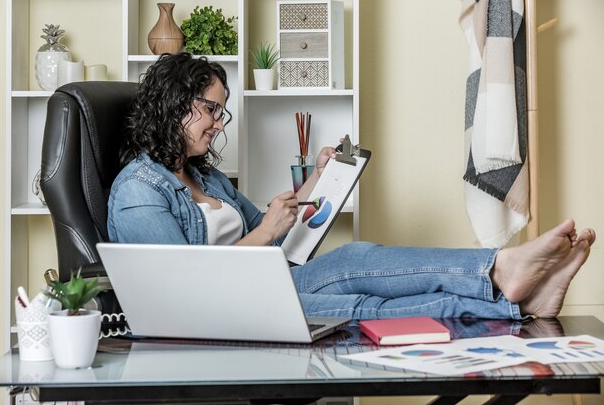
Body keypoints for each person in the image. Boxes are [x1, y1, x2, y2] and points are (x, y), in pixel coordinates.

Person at [108, 53, 596, 321]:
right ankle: (503, 276)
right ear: (174, 106)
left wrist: (318, 181)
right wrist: (263, 237)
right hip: (225, 312)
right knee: (362, 298)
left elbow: (271, 237)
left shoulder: (206, 177)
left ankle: (516, 300)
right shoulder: (137, 191)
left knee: (358, 267)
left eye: (222, 110)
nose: (219, 123)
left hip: (267, 287)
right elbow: (180, 290)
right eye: (211, 109)